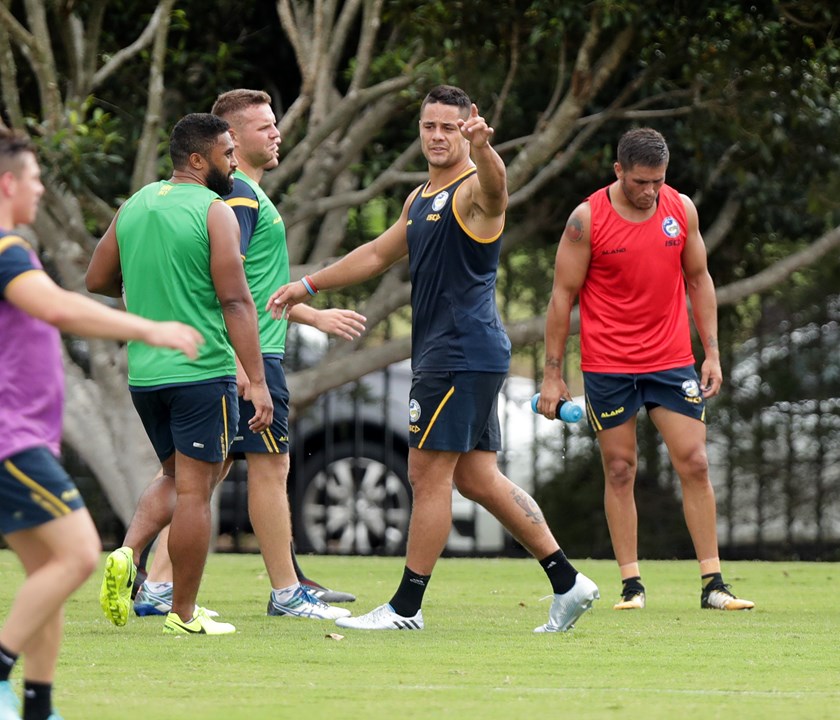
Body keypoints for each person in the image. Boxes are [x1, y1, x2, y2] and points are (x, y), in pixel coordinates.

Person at [267, 85, 600, 632]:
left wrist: (486, 150)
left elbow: (497, 192)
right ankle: (568, 582)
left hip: (458, 352)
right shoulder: (420, 197)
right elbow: (377, 252)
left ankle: (405, 608)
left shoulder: (472, 190)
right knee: (477, 478)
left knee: (426, 476)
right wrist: (308, 284)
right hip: (459, 352)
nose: (438, 136)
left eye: (450, 127)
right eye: (430, 126)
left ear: (467, 129)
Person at [130, 89, 363, 621]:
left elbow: (252, 288)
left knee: (203, 476)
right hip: (248, 358)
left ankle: (159, 584)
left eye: (275, 124)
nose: (277, 133)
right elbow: (223, 287)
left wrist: (312, 316)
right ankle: (287, 592)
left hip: (245, 353)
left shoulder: (245, 193)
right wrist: (243, 367)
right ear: (230, 138)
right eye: (264, 127)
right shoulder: (236, 198)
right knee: (269, 466)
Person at [0, 128, 202, 720]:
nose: (42, 188)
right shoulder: (8, 252)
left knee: (47, 572)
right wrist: (149, 327)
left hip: (24, 439)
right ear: (8, 184)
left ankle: (38, 706)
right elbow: (58, 306)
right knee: (79, 555)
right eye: (35, 178)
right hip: (12, 442)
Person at [537, 127, 754, 612]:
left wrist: (712, 353)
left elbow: (699, 279)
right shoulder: (586, 219)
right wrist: (552, 374)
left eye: (658, 180)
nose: (651, 191)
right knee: (620, 469)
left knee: (695, 462)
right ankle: (631, 586)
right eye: (640, 181)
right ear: (618, 171)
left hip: (670, 360)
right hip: (609, 365)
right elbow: (561, 298)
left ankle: (714, 584)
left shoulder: (681, 209)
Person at [86, 113, 274, 635]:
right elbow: (236, 301)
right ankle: (183, 614)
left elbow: (97, 279)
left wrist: (149, 288)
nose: (233, 163)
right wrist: (258, 381)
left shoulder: (135, 204)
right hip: (201, 372)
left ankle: (128, 553)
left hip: (146, 376)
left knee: (174, 477)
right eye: (226, 154)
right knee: (195, 492)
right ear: (197, 159)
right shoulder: (215, 212)